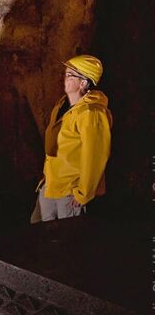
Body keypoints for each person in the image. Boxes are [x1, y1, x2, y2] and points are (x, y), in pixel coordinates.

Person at [31, 55, 111, 222]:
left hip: (70, 189)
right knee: (42, 234)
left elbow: (95, 156)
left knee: (65, 241)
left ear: (83, 83)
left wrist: (83, 193)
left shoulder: (91, 112)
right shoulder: (61, 106)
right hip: (52, 183)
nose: (64, 78)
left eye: (69, 75)